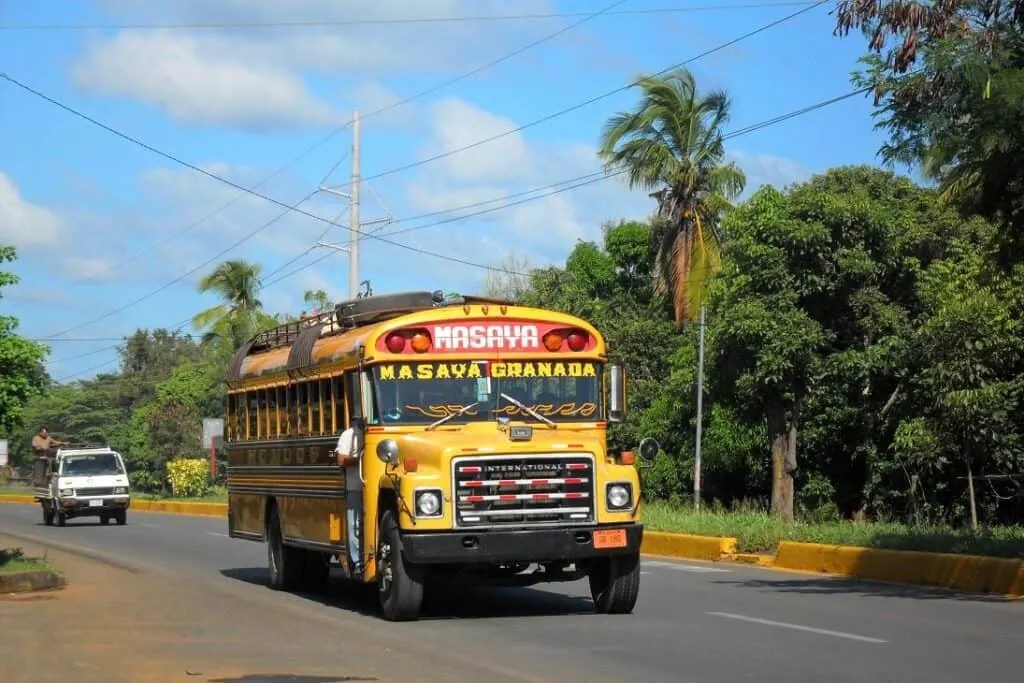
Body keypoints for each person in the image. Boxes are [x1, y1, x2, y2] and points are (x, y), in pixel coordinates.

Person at [335, 422, 364, 573]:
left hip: (377, 487)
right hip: (355, 486)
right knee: (356, 525)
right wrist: (360, 459)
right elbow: (340, 459)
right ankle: (358, 561)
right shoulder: (349, 434)